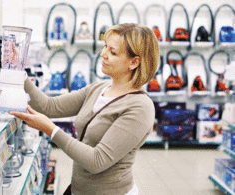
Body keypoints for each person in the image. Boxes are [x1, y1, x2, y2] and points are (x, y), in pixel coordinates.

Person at [10, 23, 159, 195]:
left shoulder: (140, 107)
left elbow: (97, 161)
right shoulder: (98, 89)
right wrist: (21, 73)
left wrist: (51, 130)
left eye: (113, 52)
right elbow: (49, 106)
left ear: (134, 62)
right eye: (105, 47)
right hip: (78, 189)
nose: (103, 54)